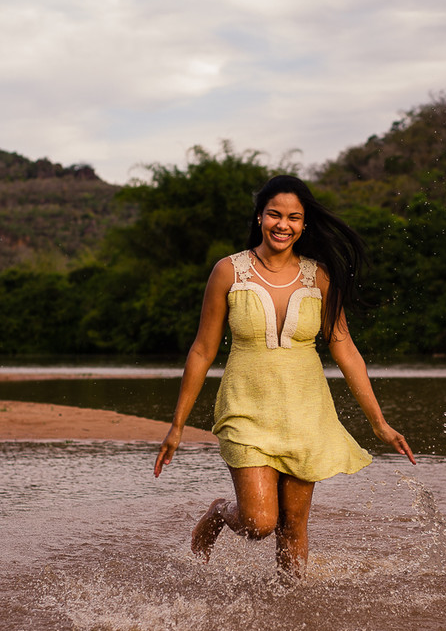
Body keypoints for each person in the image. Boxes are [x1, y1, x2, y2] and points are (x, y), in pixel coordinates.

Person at [153, 174, 414, 578]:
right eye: (275, 214)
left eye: (294, 217)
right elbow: (202, 350)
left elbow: (345, 349)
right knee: (258, 522)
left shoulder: (319, 276)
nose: (283, 225)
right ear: (260, 216)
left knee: (293, 526)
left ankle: (291, 607)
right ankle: (219, 512)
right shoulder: (228, 271)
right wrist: (177, 426)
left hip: (305, 413)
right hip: (246, 409)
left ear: (304, 224)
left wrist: (379, 423)